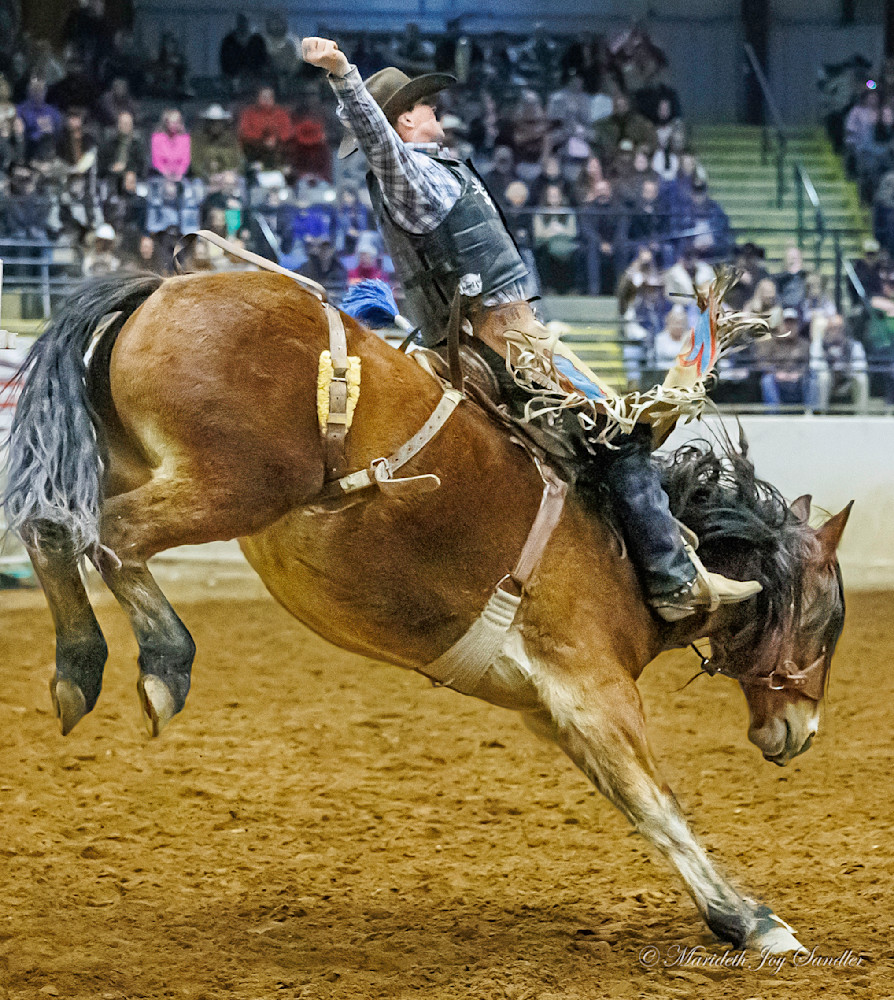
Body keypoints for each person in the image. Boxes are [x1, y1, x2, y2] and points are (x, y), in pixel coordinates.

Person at [299, 36, 761, 621]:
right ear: (403, 119)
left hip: (495, 333)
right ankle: (670, 581)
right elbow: (378, 145)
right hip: (506, 342)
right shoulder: (412, 173)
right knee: (622, 436)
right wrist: (345, 76)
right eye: (423, 105)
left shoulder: (429, 174)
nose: (435, 110)